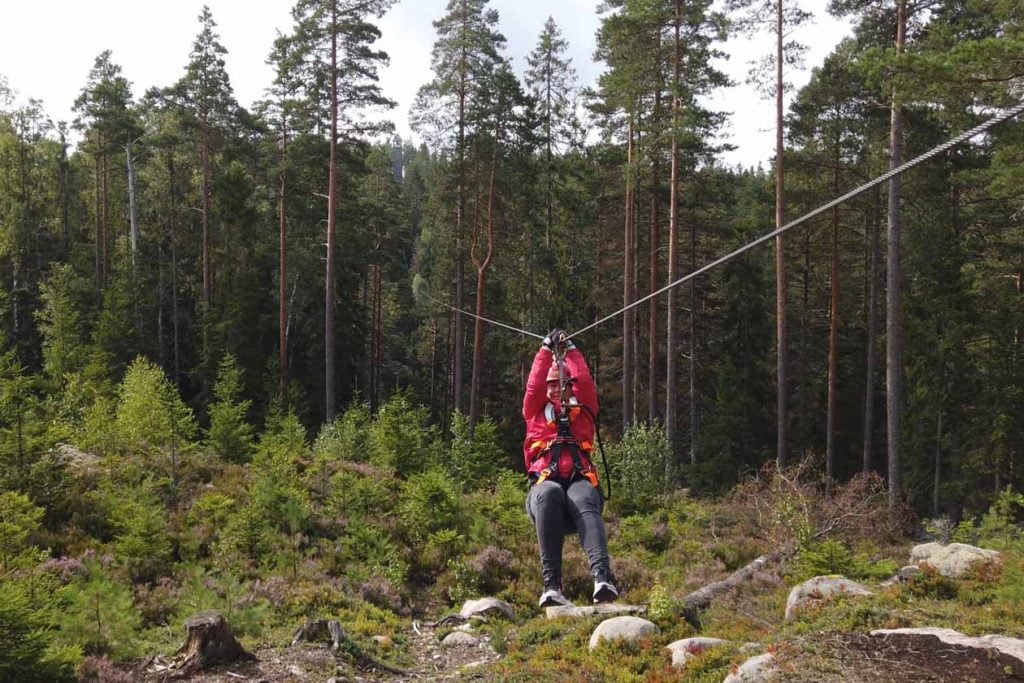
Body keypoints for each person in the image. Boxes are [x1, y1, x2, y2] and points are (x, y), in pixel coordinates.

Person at [523, 329, 618, 607]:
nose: (554, 389)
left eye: (561, 385)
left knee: (584, 494)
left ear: (569, 387)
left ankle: (602, 578)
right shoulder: (535, 414)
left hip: (578, 485)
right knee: (548, 492)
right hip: (546, 497)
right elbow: (533, 387)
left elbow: (586, 382)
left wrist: (572, 350)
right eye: (551, 385)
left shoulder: (584, 412)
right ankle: (552, 586)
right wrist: (545, 351)